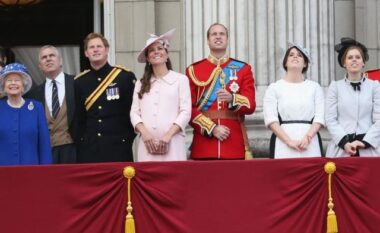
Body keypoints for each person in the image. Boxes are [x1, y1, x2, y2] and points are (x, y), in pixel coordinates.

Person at [185, 23, 256, 160]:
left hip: (233, 142)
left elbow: (250, 105)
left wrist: (233, 99)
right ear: (207, 40)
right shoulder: (193, 70)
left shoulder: (243, 69)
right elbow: (189, 108)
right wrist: (211, 128)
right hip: (204, 143)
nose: (218, 37)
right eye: (214, 34)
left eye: (222, 34)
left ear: (227, 39)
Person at [74, 32, 137, 163]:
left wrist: (126, 139)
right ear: (86, 53)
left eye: (99, 46)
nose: (95, 49)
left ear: (106, 50)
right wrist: (83, 140)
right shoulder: (80, 81)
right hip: (90, 149)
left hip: (118, 147)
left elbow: (133, 112)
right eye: (91, 47)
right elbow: (78, 118)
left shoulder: (124, 77)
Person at [130, 29, 191, 162]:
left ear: (167, 54)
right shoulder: (140, 84)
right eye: (151, 50)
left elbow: (185, 112)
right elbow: (134, 113)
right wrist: (145, 135)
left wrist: (167, 136)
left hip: (173, 144)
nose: (156, 52)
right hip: (147, 146)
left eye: (160, 48)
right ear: (147, 58)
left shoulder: (181, 80)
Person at [263, 43, 324, 158]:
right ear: (285, 62)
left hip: (310, 142)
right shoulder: (274, 88)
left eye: (300, 55)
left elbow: (319, 117)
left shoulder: (315, 87)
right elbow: (271, 119)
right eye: (291, 55)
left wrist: (308, 138)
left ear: (305, 63)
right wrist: (288, 141)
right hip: (283, 142)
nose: (295, 57)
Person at [325, 37, 380, 157]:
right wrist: (344, 143)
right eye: (350, 57)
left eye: (358, 57)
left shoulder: (375, 86)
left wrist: (365, 142)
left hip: (369, 150)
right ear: (344, 63)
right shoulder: (335, 87)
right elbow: (330, 119)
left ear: (363, 62)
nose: (354, 60)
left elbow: (379, 120)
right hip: (341, 150)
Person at [26, 45, 77, 163]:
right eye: (44, 57)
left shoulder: (76, 83)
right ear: (40, 66)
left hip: (73, 149)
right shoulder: (33, 94)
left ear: (61, 61)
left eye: (52, 56)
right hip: (46, 150)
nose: (48, 59)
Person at [0, 63, 52, 165]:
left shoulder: (36, 107)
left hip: (31, 170)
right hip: (3, 171)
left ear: (24, 85)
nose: (13, 83)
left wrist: (45, 170)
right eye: (9, 80)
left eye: (17, 80)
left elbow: (44, 143)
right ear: (4, 85)